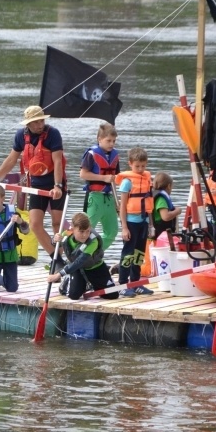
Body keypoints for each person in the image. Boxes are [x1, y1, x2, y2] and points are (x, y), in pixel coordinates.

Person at [0, 105, 65, 262]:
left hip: (55, 184)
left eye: (41, 121)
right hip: (36, 185)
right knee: (34, 224)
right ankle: (58, 261)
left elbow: (57, 161)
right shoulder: (21, 136)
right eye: (35, 122)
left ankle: (62, 257)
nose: (39, 125)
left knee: (57, 224)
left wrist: (58, 185)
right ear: (27, 124)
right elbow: (11, 160)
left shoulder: (52, 134)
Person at [46, 212, 119, 300]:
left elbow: (80, 261)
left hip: (95, 268)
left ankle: (92, 284)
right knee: (73, 295)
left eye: (87, 231)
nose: (85, 235)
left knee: (113, 295)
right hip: (77, 269)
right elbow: (55, 245)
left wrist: (58, 275)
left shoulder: (93, 241)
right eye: (81, 231)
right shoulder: (66, 234)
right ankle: (67, 282)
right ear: (73, 229)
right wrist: (54, 240)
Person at [115, 147, 155, 297]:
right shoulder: (127, 182)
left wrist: (151, 225)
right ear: (130, 164)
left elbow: (149, 204)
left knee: (139, 253)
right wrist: (124, 228)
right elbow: (123, 207)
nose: (140, 169)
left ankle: (136, 283)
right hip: (131, 223)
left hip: (143, 222)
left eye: (143, 166)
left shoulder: (146, 179)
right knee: (128, 254)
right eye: (137, 166)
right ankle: (123, 284)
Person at [79, 123, 120, 252]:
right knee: (85, 231)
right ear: (99, 139)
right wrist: (103, 178)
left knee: (112, 232)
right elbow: (83, 174)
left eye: (114, 141)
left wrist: (118, 201)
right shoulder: (91, 154)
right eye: (108, 141)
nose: (111, 144)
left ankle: (93, 254)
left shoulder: (115, 155)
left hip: (109, 198)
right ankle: (77, 256)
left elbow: (116, 178)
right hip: (95, 197)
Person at [152, 172, 182, 240]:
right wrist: (177, 211)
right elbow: (165, 217)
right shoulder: (161, 199)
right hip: (161, 233)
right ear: (169, 186)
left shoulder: (156, 195)